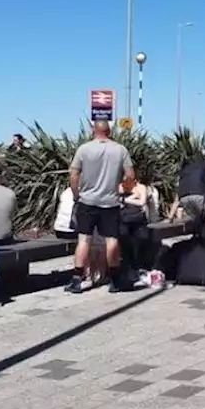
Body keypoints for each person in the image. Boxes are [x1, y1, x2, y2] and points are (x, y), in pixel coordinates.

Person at [67, 121, 134, 293]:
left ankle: (77, 279)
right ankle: (115, 280)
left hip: (87, 201)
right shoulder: (120, 150)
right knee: (111, 240)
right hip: (110, 202)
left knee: (84, 240)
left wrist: (76, 195)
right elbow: (130, 176)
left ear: (93, 130)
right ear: (109, 131)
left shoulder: (84, 149)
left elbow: (73, 175)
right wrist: (122, 191)